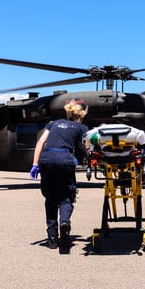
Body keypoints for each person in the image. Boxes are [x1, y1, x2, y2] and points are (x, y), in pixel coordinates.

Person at [30, 98, 89, 249]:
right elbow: (85, 147)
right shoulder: (81, 127)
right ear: (81, 115)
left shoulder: (53, 123)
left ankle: (52, 238)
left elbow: (40, 142)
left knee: (50, 199)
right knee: (66, 197)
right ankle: (64, 222)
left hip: (46, 159)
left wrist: (35, 164)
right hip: (65, 159)